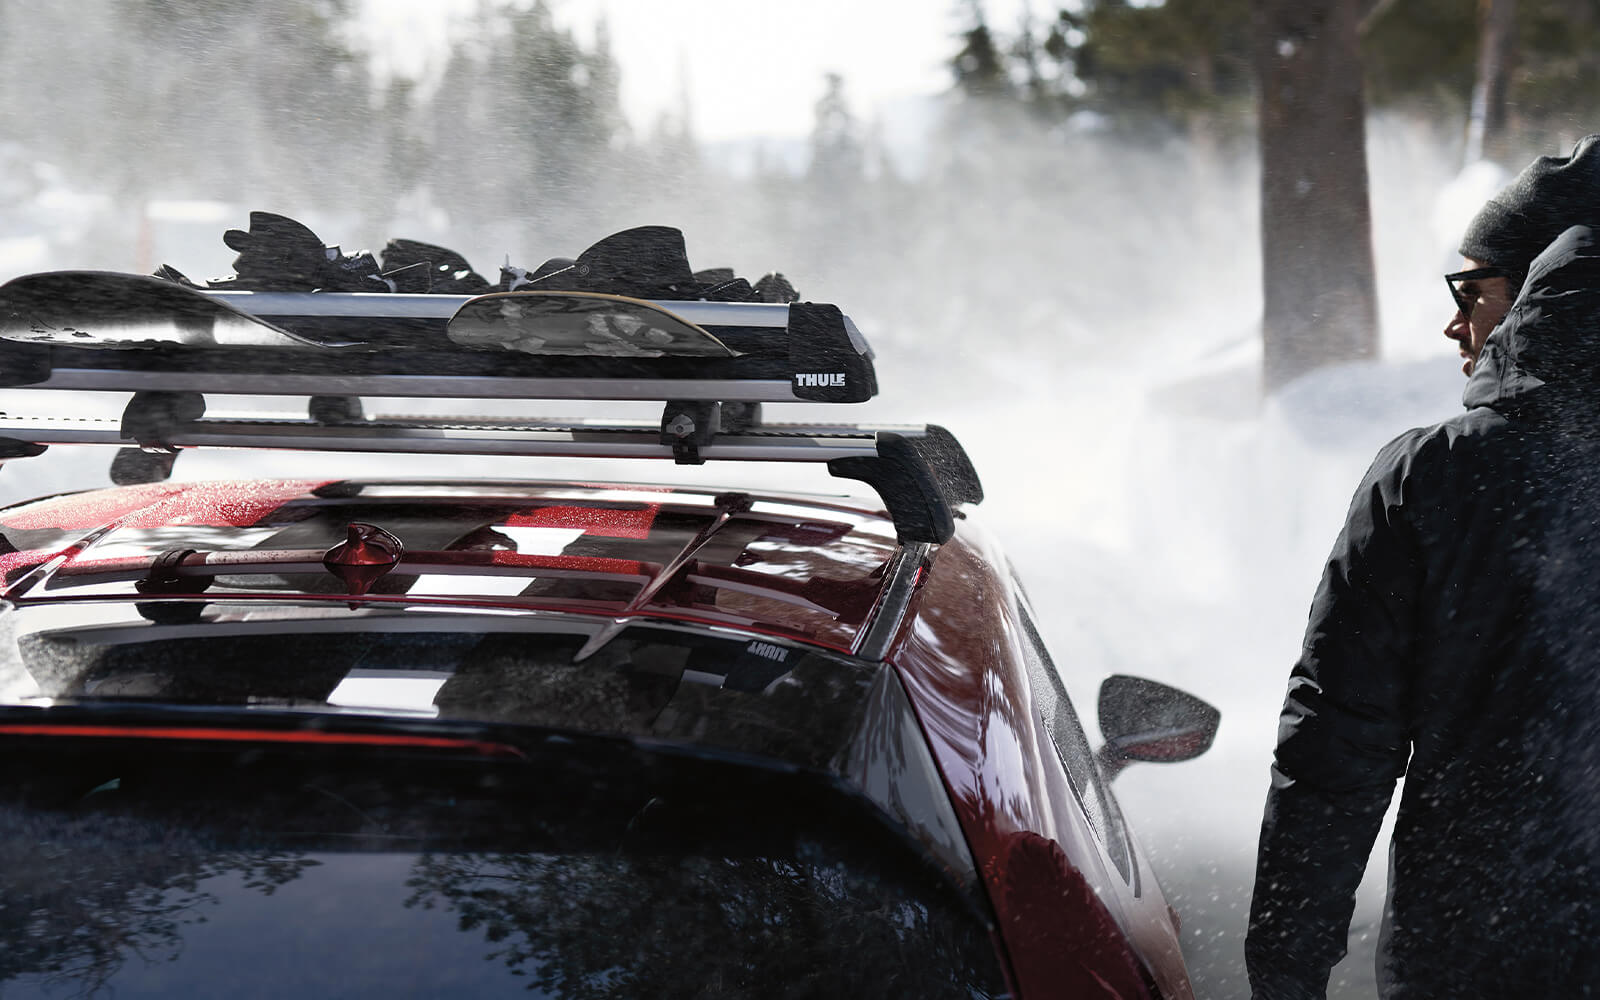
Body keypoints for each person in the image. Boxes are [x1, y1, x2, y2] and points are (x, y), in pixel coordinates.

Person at [1247, 135, 1600, 999]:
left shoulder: (1438, 475)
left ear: (1538, 290)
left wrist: (1288, 961)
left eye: (1469, 290)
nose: (1454, 321)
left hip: (1477, 953)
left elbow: (1341, 739)